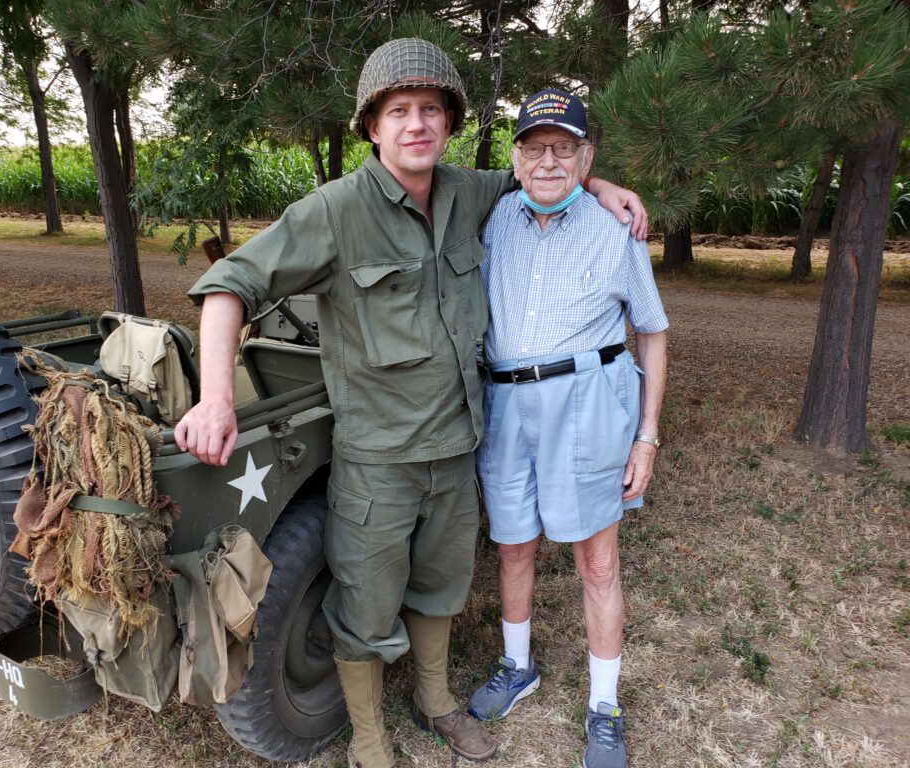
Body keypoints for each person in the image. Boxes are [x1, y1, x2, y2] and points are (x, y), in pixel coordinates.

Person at [175, 43, 647, 768]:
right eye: (399, 111)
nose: (417, 125)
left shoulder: (466, 190)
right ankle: (369, 742)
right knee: (364, 607)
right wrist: (214, 399)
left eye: (431, 109)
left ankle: (434, 703)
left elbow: (546, 170)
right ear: (372, 125)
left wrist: (606, 187)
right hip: (379, 462)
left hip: (459, 450)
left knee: (439, 590)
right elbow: (229, 285)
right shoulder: (336, 212)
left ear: (450, 121)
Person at [466, 89, 669, 768]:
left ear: (586, 157)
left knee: (596, 561)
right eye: (534, 146)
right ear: (516, 156)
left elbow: (654, 333)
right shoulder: (494, 219)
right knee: (512, 545)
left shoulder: (615, 230)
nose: (547, 160)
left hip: (587, 403)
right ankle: (518, 667)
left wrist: (648, 435)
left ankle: (604, 706)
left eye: (564, 148)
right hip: (506, 407)